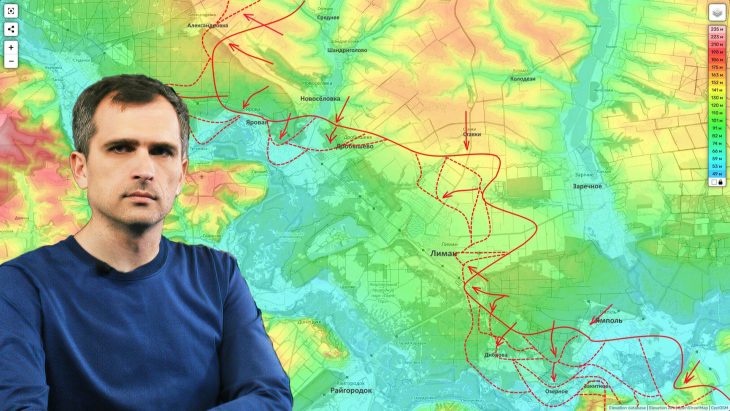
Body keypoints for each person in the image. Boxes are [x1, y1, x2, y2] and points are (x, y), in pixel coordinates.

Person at [0, 74, 293, 410]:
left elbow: (269, 397)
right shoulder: (20, 286)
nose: (144, 169)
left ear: (181, 174)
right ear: (81, 169)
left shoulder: (217, 276)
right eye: (121, 148)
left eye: (162, 151)